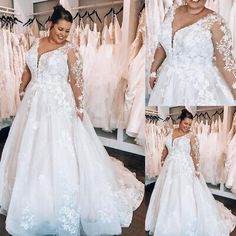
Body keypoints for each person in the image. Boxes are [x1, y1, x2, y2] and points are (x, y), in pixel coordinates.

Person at [0, 5, 144, 236]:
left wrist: (79, 106)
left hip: (58, 103)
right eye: (60, 29)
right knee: (31, 146)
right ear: (50, 25)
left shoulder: (70, 50)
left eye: (67, 31)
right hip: (33, 103)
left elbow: (77, 82)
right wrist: (21, 87)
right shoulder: (36, 43)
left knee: (60, 148)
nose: (63, 34)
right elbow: (28, 68)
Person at [145, 109, 236, 236]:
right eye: (185, 123)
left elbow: (195, 154)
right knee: (167, 192)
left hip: (184, 167)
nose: (187, 126)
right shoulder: (171, 131)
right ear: (180, 121)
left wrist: (197, 170)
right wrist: (161, 159)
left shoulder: (192, 136)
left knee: (184, 193)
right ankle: (166, 218)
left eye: (189, 124)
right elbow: (166, 147)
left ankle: (184, 221)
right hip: (169, 167)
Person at [148, 0, 236, 106]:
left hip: (198, 86)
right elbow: (162, 44)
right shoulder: (172, 11)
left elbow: (225, 63)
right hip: (166, 80)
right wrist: (153, 70)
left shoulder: (216, 22)